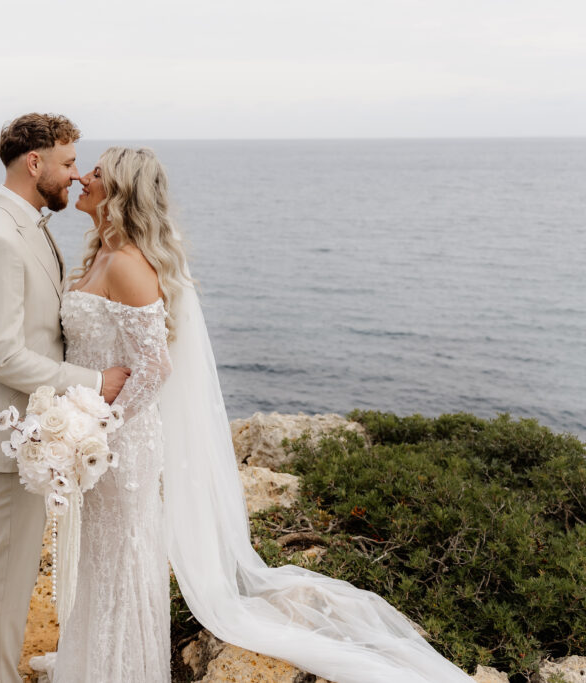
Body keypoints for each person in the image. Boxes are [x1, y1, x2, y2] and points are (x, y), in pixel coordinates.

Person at [30, 147, 476, 682]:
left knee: (122, 559)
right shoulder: (101, 252)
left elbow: (154, 367)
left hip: (120, 441)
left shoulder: (127, 264)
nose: (82, 177)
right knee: (100, 557)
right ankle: (90, 660)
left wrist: (100, 428)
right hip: (100, 432)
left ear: (121, 191)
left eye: (96, 173)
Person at [0, 113, 130, 683]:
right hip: (8, 438)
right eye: (69, 163)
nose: (76, 176)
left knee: (19, 569)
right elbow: (1, 355)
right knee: (7, 574)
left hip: (38, 429)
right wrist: (91, 383)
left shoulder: (29, 224)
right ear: (36, 164)